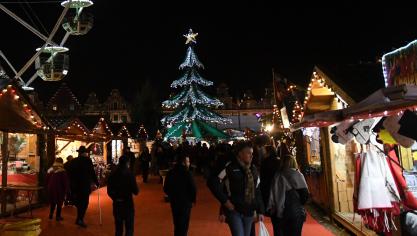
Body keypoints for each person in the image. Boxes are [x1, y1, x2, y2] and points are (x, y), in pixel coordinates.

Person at [208, 141, 265, 236]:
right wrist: (225, 201)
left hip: (249, 211)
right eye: (248, 153)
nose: (251, 156)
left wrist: (260, 211)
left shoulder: (253, 170)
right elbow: (212, 183)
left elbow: (257, 191)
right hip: (234, 210)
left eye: (252, 153)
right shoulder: (229, 168)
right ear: (240, 154)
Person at [267, 154, 309, 236]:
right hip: (295, 212)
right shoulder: (298, 175)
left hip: (279, 211)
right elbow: (305, 195)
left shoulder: (277, 176)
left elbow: (272, 194)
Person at [164, 153, 197, 236]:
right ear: (183, 162)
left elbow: (165, 188)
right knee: (184, 224)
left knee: (177, 222)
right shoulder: (187, 173)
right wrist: (193, 199)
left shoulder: (170, 172)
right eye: (188, 161)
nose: (189, 163)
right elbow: (193, 188)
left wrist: (172, 195)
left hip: (174, 201)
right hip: (186, 202)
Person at [107, 155, 139, 236]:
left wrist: (115, 198)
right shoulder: (130, 174)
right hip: (128, 203)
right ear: (127, 163)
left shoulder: (113, 174)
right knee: (129, 228)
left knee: (118, 228)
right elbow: (136, 191)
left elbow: (109, 191)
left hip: (117, 203)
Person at [71, 146, 99, 228]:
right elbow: (92, 172)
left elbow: (70, 173)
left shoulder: (74, 161)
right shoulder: (88, 160)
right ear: (84, 152)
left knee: (79, 202)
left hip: (76, 185)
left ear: (79, 152)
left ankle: (78, 218)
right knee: (84, 203)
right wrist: (96, 182)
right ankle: (80, 219)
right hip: (84, 185)